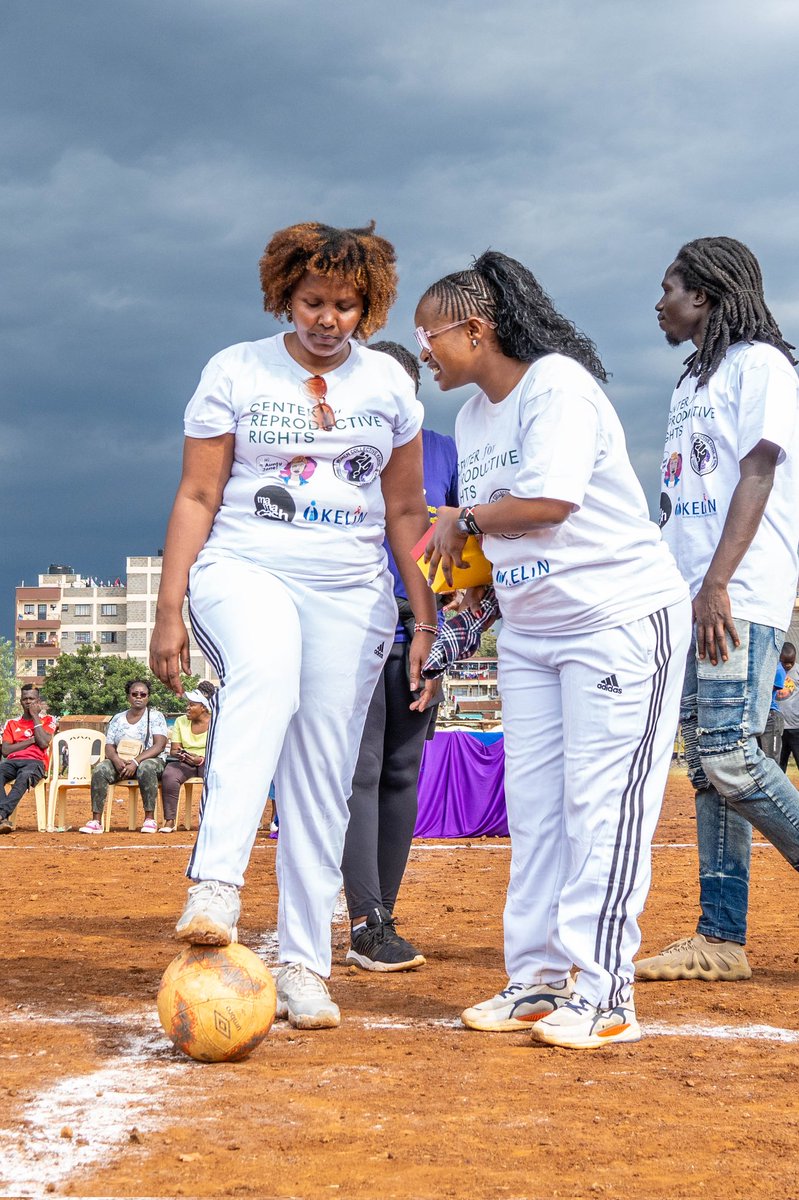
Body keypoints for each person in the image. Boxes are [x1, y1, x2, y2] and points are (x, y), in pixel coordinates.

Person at [149, 221, 438, 1030]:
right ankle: (215, 884)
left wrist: (424, 620)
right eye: (313, 301)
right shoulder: (235, 369)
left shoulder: (388, 385)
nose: (326, 319)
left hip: (351, 592)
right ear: (286, 294)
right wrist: (168, 609)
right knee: (266, 675)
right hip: (245, 569)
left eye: (345, 305)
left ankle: (306, 962)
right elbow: (198, 496)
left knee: (323, 773)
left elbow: (404, 510)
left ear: (367, 306)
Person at [417, 250, 691, 1050]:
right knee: (535, 814)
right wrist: (477, 587)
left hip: (616, 618)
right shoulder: (473, 419)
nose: (423, 352)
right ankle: (534, 981)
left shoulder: (557, 385)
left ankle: (604, 994)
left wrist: (462, 520)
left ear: (474, 328)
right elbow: (515, 533)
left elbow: (551, 501)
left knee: (600, 810)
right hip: (532, 632)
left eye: (428, 336)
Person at [636, 236, 799, 984]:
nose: (659, 302)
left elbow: (757, 474)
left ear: (702, 295)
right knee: (707, 767)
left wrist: (717, 582)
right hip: (693, 595)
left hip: (737, 592)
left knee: (730, 754)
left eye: (668, 288)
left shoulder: (760, 365)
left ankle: (720, 929)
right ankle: (720, 936)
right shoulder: (688, 382)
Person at [341, 341, 456, 972]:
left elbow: (465, 538)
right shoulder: (342, 447)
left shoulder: (441, 450)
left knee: (401, 770)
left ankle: (384, 908)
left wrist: (443, 627)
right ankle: (365, 918)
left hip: (420, 623)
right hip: (356, 620)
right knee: (358, 768)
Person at [79, 679, 168, 834]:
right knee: (100, 769)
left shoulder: (155, 716)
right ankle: (96, 821)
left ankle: (149, 819)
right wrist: (116, 760)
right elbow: (109, 746)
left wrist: (135, 761)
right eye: (134, 694)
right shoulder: (118, 718)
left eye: (143, 694)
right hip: (121, 762)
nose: (138, 697)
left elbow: (159, 745)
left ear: (148, 697)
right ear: (128, 696)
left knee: (146, 767)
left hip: (149, 761)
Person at [0, 686, 58, 833]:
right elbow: (6, 751)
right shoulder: (11, 723)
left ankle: (1, 814)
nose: (28, 702)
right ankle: (2, 818)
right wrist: (32, 740)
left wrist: (35, 717)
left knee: (24, 776)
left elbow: (44, 743)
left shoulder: (49, 719)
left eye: (31, 699)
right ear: (20, 702)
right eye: (25, 699)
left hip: (35, 762)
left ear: (38, 701)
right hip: (12, 762)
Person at [160, 685, 216, 832]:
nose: (187, 708)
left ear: (203, 707)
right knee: (169, 775)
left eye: (192, 704)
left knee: (216, 776)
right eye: (188, 704)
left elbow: (220, 749)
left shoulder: (216, 721)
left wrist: (201, 759)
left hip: (209, 760)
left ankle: (212, 820)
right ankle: (170, 821)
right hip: (185, 761)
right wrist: (181, 754)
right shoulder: (180, 721)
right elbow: (173, 749)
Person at [778, 642, 799, 771]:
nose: (788, 665)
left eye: (791, 662)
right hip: (778, 727)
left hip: (797, 727)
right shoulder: (773, 671)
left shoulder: (797, 671)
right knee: (779, 765)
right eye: (785, 662)